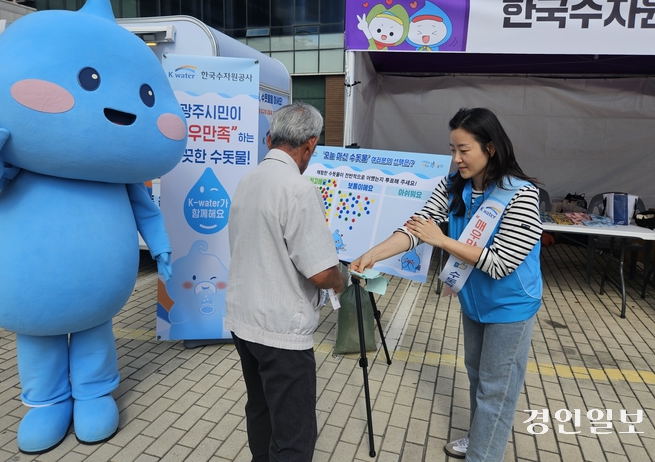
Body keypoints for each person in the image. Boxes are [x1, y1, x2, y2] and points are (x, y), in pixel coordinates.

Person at [351, 107, 543, 462]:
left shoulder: (522, 196)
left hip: (511, 305)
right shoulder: (453, 187)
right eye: (452, 149)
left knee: (495, 389)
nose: (455, 159)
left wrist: (441, 240)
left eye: (463, 150)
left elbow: (500, 263)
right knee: (477, 376)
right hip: (474, 303)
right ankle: (480, 437)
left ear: (491, 148)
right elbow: (416, 229)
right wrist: (373, 254)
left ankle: (484, 455)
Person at [225, 102, 344, 462]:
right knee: (294, 430)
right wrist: (343, 278)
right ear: (310, 144)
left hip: (244, 320)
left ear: (269, 137)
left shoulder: (248, 180)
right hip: (281, 330)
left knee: (260, 409)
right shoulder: (298, 188)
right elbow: (321, 272)